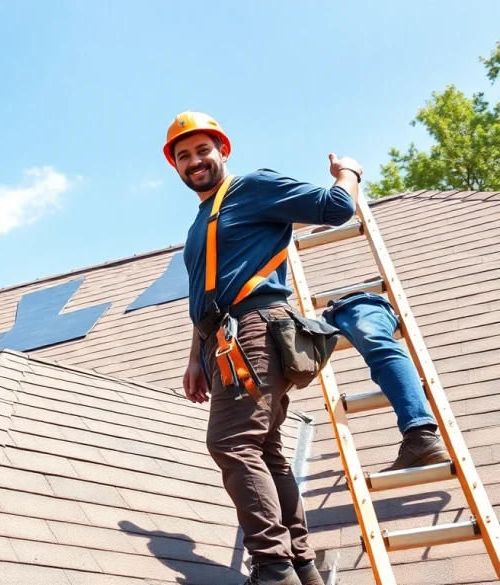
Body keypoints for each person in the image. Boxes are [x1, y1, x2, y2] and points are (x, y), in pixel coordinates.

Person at [171, 111, 360, 585]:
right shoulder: (200, 222)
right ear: (175, 166)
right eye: (183, 155)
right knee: (267, 450)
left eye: (202, 150)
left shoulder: (252, 188)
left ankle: (273, 569)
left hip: (252, 330)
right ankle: (300, 565)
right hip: (222, 340)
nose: (194, 161)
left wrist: (348, 173)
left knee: (231, 443)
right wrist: (195, 356)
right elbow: (206, 292)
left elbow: (338, 207)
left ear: (223, 151)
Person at [322, 292, 448, 470]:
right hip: (315, 320)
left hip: (355, 303)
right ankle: (419, 437)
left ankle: (421, 435)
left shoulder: (361, 306)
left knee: (377, 344)